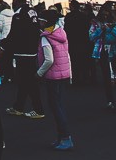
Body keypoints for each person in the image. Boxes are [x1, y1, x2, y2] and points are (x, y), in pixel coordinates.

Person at [37, 9, 75, 151]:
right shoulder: (61, 33)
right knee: (58, 105)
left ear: (45, 22)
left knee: (55, 107)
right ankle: (62, 137)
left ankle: (65, 137)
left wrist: (39, 73)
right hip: (63, 73)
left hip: (52, 75)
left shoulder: (45, 37)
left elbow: (49, 60)